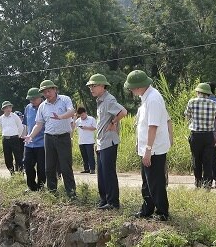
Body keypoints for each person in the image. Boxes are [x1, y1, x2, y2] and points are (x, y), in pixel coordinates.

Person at [125, 70, 172, 221]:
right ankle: (147, 209)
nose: (131, 91)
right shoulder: (145, 98)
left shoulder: (153, 99)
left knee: (156, 181)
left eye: (131, 88)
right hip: (147, 148)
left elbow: (153, 127)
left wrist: (148, 150)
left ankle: (162, 213)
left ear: (139, 87)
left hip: (154, 149)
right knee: (147, 181)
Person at [24, 79, 76, 197]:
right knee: (49, 167)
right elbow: (39, 124)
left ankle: (71, 193)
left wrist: (61, 117)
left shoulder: (64, 99)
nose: (47, 94)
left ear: (55, 89)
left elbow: (71, 111)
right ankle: (52, 192)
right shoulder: (43, 106)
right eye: (44, 92)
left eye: (49, 91)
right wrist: (30, 136)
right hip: (48, 138)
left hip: (63, 137)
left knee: (65, 166)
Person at [87, 73, 127, 210]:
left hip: (109, 142)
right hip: (101, 142)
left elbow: (123, 111)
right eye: (90, 86)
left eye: (94, 85)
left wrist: (114, 122)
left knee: (108, 172)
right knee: (101, 173)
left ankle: (113, 202)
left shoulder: (109, 100)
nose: (91, 88)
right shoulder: (100, 100)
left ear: (103, 86)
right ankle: (104, 199)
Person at [183, 83, 216, 189]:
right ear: (208, 93)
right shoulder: (214, 104)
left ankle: (198, 182)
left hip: (196, 135)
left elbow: (187, 117)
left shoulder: (192, 102)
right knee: (208, 160)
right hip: (209, 135)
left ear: (198, 92)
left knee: (196, 159)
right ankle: (207, 183)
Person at [22, 87, 45, 191]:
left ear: (40, 97)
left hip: (42, 143)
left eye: (34, 99)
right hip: (29, 143)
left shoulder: (45, 107)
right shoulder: (28, 107)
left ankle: (41, 187)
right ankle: (31, 186)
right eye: (30, 99)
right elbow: (26, 125)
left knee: (42, 167)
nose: (32, 101)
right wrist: (25, 136)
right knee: (27, 164)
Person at [0, 100, 24, 174]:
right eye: (6, 107)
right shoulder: (1, 118)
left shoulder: (15, 116)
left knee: (18, 156)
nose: (8, 109)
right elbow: (1, 128)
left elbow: (20, 127)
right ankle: (11, 172)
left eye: (10, 107)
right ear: (3, 109)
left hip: (14, 138)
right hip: (5, 139)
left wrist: (17, 136)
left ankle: (20, 173)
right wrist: (4, 134)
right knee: (7, 157)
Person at [74, 107, 97, 174]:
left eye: (83, 115)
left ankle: (92, 169)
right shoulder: (78, 120)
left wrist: (86, 128)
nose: (82, 117)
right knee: (84, 156)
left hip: (89, 141)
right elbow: (73, 126)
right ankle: (86, 168)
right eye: (80, 115)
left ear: (85, 113)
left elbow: (94, 128)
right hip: (81, 141)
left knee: (90, 155)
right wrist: (75, 118)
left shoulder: (91, 119)